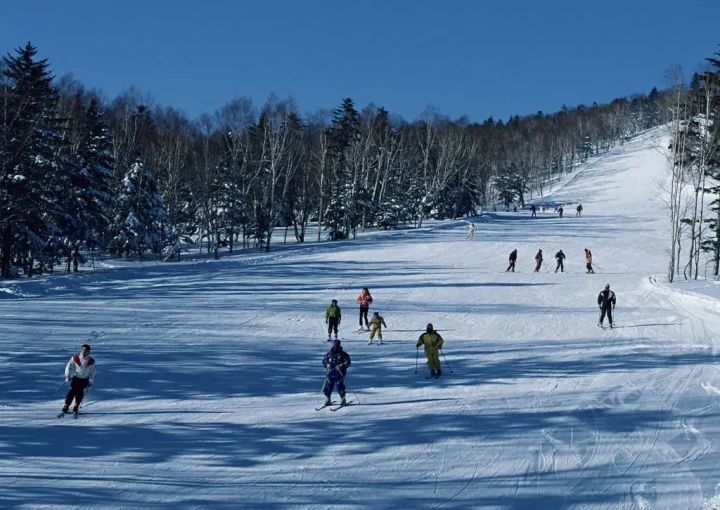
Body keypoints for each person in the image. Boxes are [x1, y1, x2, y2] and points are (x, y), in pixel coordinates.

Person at [61, 343, 96, 417]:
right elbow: (69, 367)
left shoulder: (91, 361)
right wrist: (68, 376)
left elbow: (92, 371)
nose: (84, 351)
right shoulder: (75, 358)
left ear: (89, 351)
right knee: (72, 392)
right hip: (76, 378)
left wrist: (91, 381)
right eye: (83, 349)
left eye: (86, 350)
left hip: (84, 379)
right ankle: (66, 405)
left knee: (80, 393)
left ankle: (76, 406)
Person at [322, 339, 351, 406]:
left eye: (337, 346)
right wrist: (327, 364)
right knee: (328, 385)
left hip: (340, 372)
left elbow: (348, 362)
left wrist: (342, 365)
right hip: (330, 372)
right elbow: (324, 360)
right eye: (334, 345)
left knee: (339, 385)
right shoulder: (329, 354)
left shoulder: (343, 354)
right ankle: (327, 398)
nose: (335, 347)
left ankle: (342, 398)